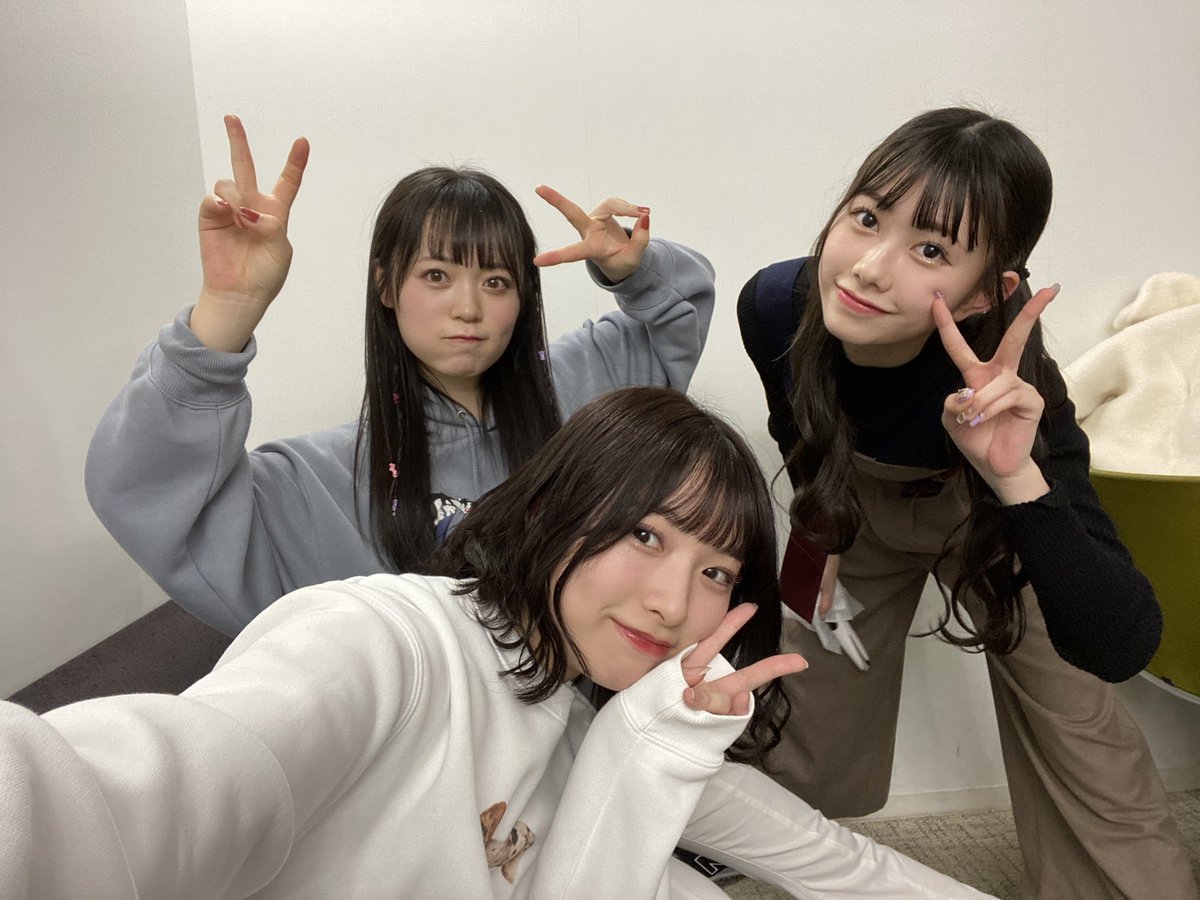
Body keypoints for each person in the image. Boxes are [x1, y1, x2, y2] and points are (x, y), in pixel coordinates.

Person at [1, 388, 995, 899]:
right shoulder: (386, 640)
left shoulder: (610, 709)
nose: (672, 602)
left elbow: (832, 861)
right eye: (648, 535)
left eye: (715, 573)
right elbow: (129, 797)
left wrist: (651, 749)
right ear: (558, 508)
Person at [738, 106, 1198, 899]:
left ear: (990, 291)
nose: (868, 269)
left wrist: (1015, 477)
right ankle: (759, 848)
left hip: (990, 513)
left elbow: (1121, 643)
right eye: (866, 217)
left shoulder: (1012, 386)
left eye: (930, 250)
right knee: (804, 690)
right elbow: (798, 429)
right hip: (856, 506)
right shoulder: (775, 304)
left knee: (1077, 723)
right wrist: (819, 549)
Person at [84, 115, 715, 636]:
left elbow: (683, 304)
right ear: (386, 286)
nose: (468, 307)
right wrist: (225, 311)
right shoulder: (319, 482)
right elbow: (145, 492)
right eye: (437, 275)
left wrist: (632, 269)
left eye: (496, 281)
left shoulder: (582, 390)